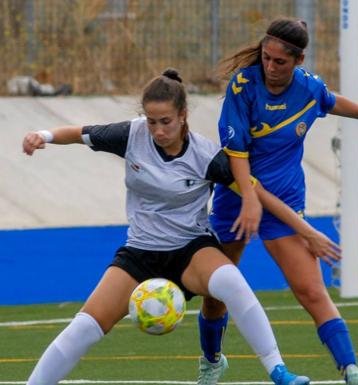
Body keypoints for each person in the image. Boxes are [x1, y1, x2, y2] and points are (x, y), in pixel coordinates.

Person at [22, 69, 340, 385]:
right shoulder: (130, 136)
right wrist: (44, 136)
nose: (158, 130)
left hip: (191, 250)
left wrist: (306, 231)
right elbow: (78, 133)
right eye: (151, 121)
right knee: (84, 327)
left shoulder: (205, 154)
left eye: (166, 122)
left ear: (183, 115)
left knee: (233, 283)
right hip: (140, 254)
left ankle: (278, 370)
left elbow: (259, 194)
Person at [196, 17, 358, 385]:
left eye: (279, 62)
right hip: (237, 199)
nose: (270, 67)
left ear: (298, 61)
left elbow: (330, 101)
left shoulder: (308, 87)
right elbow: (235, 154)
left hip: (286, 200)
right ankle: (212, 360)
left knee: (311, 290)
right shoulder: (243, 86)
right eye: (266, 57)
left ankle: (352, 371)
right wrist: (249, 198)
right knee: (217, 291)